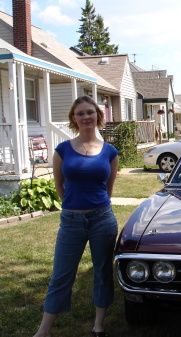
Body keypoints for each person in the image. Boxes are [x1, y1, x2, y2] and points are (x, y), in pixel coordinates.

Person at [33, 96, 119, 337]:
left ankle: (98, 325)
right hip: (71, 220)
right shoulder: (62, 150)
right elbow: (59, 186)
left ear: (98, 116)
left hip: (102, 219)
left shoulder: (110, 152)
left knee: (102, 271)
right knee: (61, 274)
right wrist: (71, 205)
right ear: (73, 118)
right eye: (80, 113)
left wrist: (96, 205)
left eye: (90, 112)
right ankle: (43, 331)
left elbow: (108, 189)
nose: (85, 117)